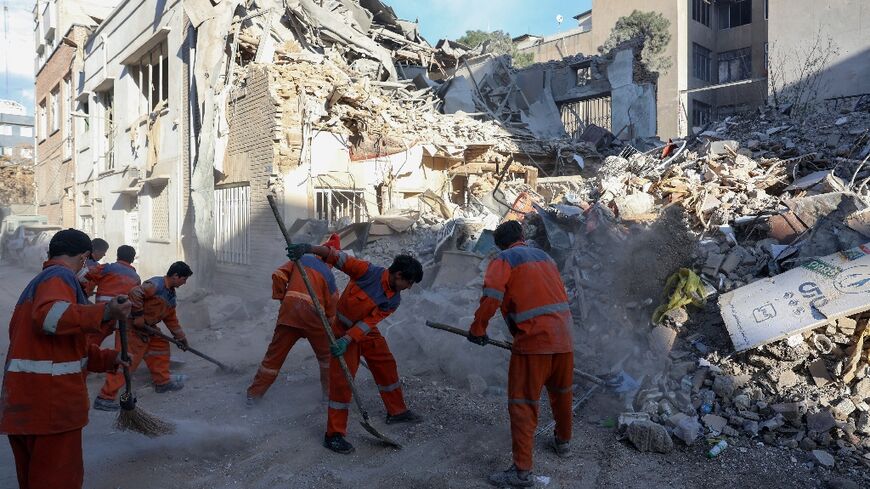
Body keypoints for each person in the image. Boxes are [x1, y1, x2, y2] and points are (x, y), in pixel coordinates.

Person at [0, 228, 131, 489]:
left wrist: (110, 359)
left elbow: (67, 346)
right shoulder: (60, 276)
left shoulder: (42, 282)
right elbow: (50, 318)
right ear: (84, 257)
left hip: (29, 406)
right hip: (52, 407)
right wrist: (105, 312)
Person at [286, 243, 424, 454]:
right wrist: (308, 248)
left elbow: (368, 323)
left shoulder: (393, 299)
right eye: (409, 282)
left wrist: (350, 340)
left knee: (386, 365)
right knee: (342, 382)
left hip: (363, 333)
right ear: (398, 275)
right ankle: (334, 435)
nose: (409, 287)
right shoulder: (367, 271)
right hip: (341, 330)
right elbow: (336, 257)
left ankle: (396, 411)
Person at [467, 220, 574, 488]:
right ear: (522, 236)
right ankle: (563, 442)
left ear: (498, 244)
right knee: (561, 394)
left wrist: (477, 329)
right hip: (563, 338)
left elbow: (492, 296)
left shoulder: (504, 259)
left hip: (534, 342)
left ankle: (521, 472)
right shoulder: (545, 257)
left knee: (523, 404)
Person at [246, 235, 342, 405]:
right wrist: (333, 333)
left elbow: (278, 275)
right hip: (314, 319)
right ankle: (328, 397)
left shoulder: (301, 259)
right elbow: (332, 310)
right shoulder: (329, 275)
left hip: (289, 314)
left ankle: (253, 397)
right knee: (327, 359)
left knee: (273, 359)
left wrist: (283, 299)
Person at [94, 261, 193, 410]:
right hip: (131, 328)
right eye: (184, 279)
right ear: (175, 276)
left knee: (160, 348)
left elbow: (171, 319)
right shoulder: (156, 284)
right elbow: (135, 293)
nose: (185, 283)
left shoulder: (170, 295)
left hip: (148, 329)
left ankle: (162, 382)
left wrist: (181, 338)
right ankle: (104, 398)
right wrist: (138, 315)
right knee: (126, 362)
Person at [83, 245, 141, 348]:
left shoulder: (107, 268)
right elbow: (136, 298)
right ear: (132, 259)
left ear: (117, 256)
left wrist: (85, 293)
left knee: (92, 340)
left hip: (103, 311)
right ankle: (119, 360)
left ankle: (85, 357)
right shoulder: (136, 277)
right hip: (121, 315)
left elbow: (88, 276)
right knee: (122, 344)